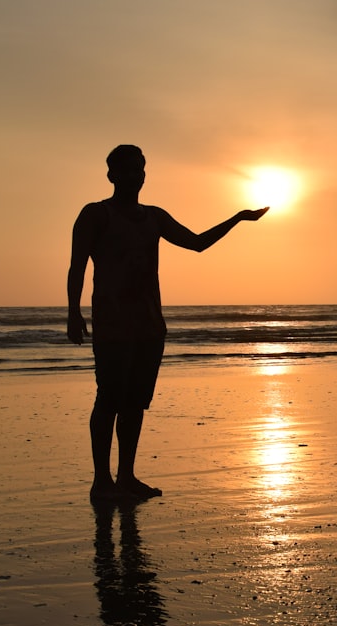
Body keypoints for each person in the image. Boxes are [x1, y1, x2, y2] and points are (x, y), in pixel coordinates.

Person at [67, 144, 268, 502]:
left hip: (149, 325)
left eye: (139, 169)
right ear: (112, 175)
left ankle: (126, 477)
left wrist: (238, 218)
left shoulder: (154, 217)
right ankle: (102, 482)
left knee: (134, 403)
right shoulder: (96, 215)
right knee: (109, 399)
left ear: (145, 174)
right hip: (112, 323)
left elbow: (197, 243)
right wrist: (73, 311)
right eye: (126, 170)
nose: (133, 176)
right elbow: (77, 265)